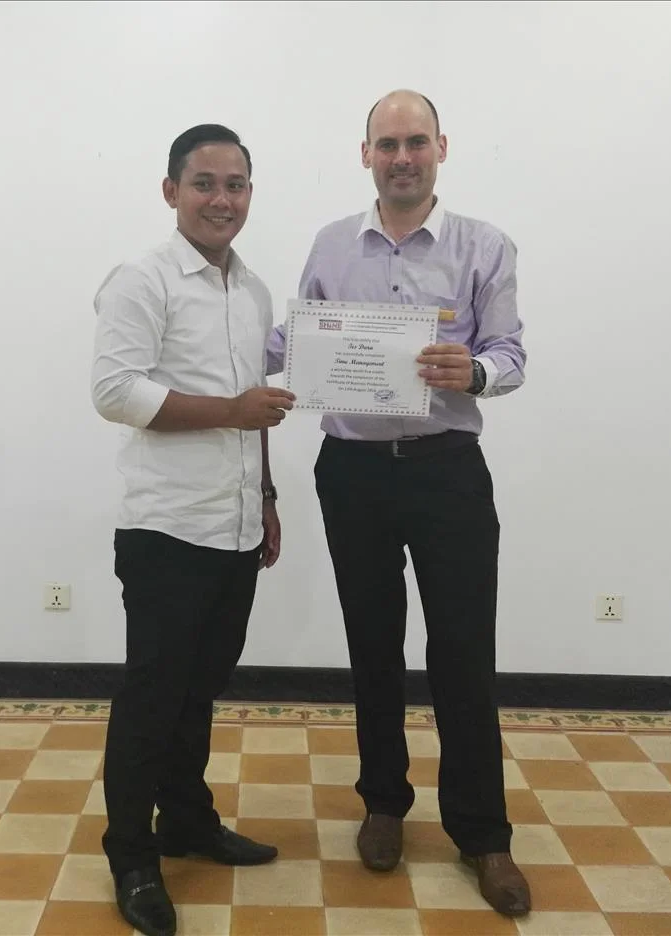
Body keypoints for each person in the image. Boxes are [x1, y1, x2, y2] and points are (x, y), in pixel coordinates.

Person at [265, 89, 532, 917]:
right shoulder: (330, 245)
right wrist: (227, 350)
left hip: (447, 468)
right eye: (388, 144)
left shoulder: (485, 245)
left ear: (441, 148)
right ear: (366, 155)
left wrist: (474, 371)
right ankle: (384, 803)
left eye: (417, 141)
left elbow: (511, 351)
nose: (403, 157)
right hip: (352, 471)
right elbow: (295, 341)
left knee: (463, 652)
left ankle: (482, 834)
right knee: (372, 644)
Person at [90, 123, 294, 936]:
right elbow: (116, 393)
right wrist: (233, 411)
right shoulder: (141, 280)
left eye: (235, 185)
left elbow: (258, 410)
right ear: (171, 190)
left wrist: (266, 496)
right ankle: (131, 856)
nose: (221, 200)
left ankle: (186, 821)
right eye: (204, 183)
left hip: (235, 525)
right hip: (167, 530)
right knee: (153, 698)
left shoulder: (254, 291)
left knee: (200, 690)